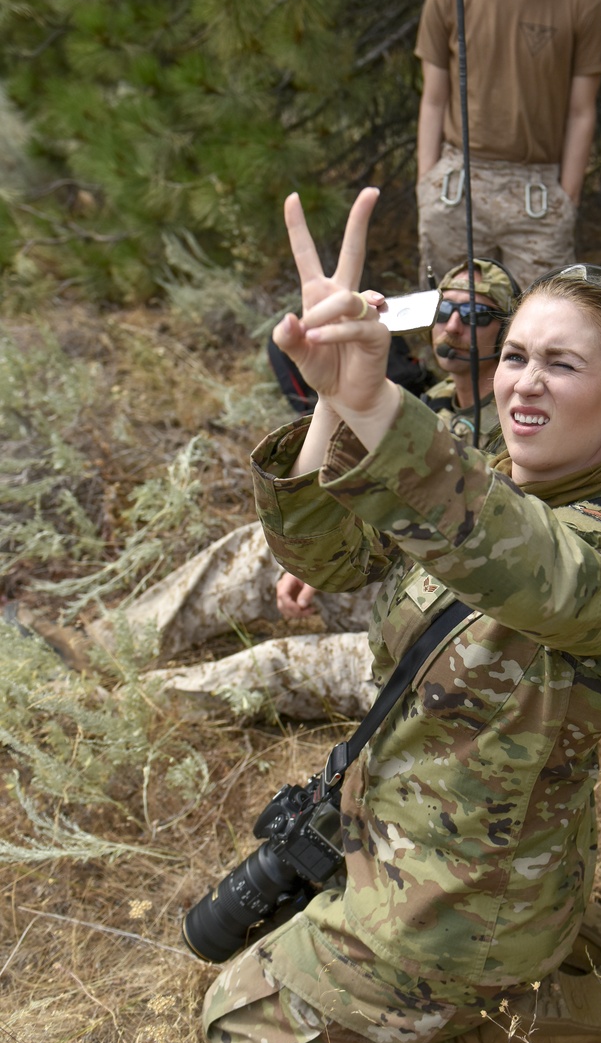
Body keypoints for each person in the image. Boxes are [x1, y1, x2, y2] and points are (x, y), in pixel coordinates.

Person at [200, 188, 601, 1043]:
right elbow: (330, 553)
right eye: (515, 357)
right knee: (225, 936)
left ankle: (511, 1023)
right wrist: (327, 405)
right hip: (398, 835)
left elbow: (521, 564)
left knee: (240, 1032)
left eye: (562, 364)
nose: (524, 382)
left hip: (468, 895)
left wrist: (377, 399)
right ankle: (541, 960)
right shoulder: (486, 481)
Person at [86, 260, 516, 721]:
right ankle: (106, 644)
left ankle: (116, 708)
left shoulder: (514, 426)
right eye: (445, 310)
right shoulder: (429, 403)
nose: (453, 326)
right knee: (253, 550)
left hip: (444, 631)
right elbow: (377, 499)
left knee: (274, 664)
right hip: (399, 583)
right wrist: (319, 561)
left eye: (475, 316)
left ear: (507, 332)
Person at [415, 0, 601, 289]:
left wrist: (567, 198)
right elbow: (433, 98)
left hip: (537, 192)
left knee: (541, 329)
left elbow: (582, 111)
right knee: (455, 324)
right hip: (457, 184)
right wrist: (426, 184)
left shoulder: (582, 1)